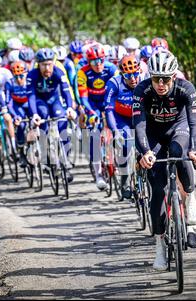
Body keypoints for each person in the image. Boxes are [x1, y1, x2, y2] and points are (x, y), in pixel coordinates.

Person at [133, 49, 196, 270]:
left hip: (178, 130)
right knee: (157, 190)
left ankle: (190, 199)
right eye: (156, 79)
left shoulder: (186, 88)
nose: (161, 84)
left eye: (165, 79)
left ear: (174, 76)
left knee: (179, 153)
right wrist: (145, 152)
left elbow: (194, 123)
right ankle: (159, 245)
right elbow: (139, 126)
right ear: (150, 77)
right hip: (153, 136)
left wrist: (195, 149)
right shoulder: (141, 90)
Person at [26, 48, 77, 182]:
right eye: (43, 65)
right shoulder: (32, 75)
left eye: (49, 64)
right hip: (39, 102)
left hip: (55, 100)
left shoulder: (58, 72)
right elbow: (30, 96)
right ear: (38, 64)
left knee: (63, 127)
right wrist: (34, 114)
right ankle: (46, 158)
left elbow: (66, 91)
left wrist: (70, 108)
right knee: (43, 120)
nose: (47, 68)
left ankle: (65, 162)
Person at [77, 44, 119, 190]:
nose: (98, 64)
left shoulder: (111, 69)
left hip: (109, 101)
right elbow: (83, 97)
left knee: (116, 126)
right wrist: (91, 113)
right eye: (94, 62)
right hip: (92, 104)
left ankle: (118, 157)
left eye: (101, 60)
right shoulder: (83, 73)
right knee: (95, 136)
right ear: (89, 62)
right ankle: (99, 175)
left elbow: (118, 91)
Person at [104, 55, 142, 199]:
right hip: (121, 118)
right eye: (128, 75)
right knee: (126, 141)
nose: (133, 78)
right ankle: (125, 179)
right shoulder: (113, 83)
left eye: (135, 74)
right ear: (122, 74)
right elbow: (109, 110)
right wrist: (115, 131)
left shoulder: (145, 81)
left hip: (140, 116)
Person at [6, 60, 30, 168]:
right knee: (21, 124)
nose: (19, 79)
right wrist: (15, 116)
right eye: (16, 77)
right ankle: (21, 152)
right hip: (17, 105)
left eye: (21, 76)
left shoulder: (30, 80)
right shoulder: (9, 83)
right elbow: (9, 103)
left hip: (29, 103)